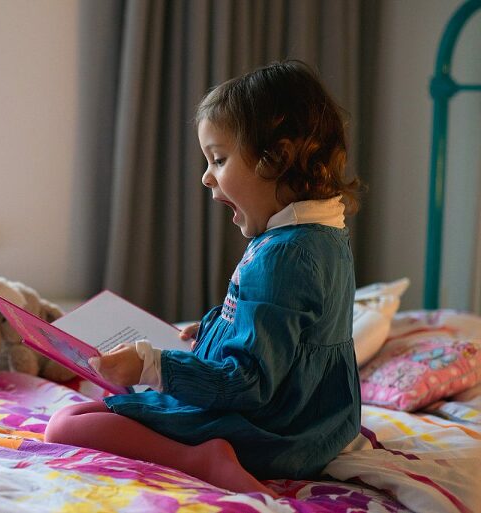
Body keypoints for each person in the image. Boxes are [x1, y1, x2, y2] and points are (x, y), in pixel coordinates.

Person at [45, 60, 362, 497]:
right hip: (314, 426)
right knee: (85, 413)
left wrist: (151, 365)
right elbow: (284, 336)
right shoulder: (323, 236)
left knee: (66, 424)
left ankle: (202, 458)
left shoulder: (282, 256)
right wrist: (215, 329)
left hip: (270, 430)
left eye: (219, 159)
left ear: (278, 157)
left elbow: (248, 380)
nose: (206, 176)